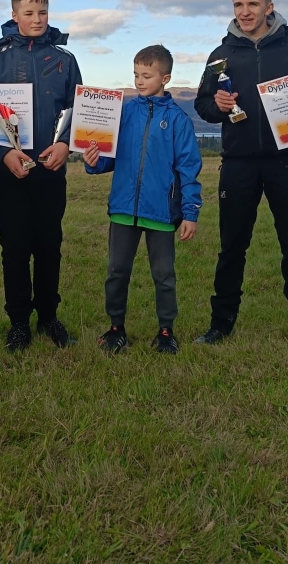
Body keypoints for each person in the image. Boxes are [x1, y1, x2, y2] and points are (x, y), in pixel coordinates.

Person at [194, 0, 288, 348]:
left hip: (287, 162)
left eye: (253, 4)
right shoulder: (220, 55)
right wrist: (218, 106)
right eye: (238, 4)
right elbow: (203, 105)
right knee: (231, 248)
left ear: (269, 7)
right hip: (238, 164)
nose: (245, 12)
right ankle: (220, 325)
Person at [0, 0, 82, 352]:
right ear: (14, 15)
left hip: (50, 168)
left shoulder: (64, 59)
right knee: (15, 247)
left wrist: (65, 145)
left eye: (43, 12)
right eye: (29, 13)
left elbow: (77, 107)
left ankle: (49, 316)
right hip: (10, 170)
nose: (37, 19)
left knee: (49, 245)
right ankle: (19, 322)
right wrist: (3, 153)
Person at [84, 45, 202, 354]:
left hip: (161, 213)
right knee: (116, 272)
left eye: (147, 75)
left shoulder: (178, 120)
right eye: (136, 74)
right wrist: (94, 161)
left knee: (164, 275)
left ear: (165, 78)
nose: (139, 81)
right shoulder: (123, 113)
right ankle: (116, 328)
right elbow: (109, 157)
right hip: (123, 209)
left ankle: (165, 331)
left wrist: (190, 213)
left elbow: (188, 168)